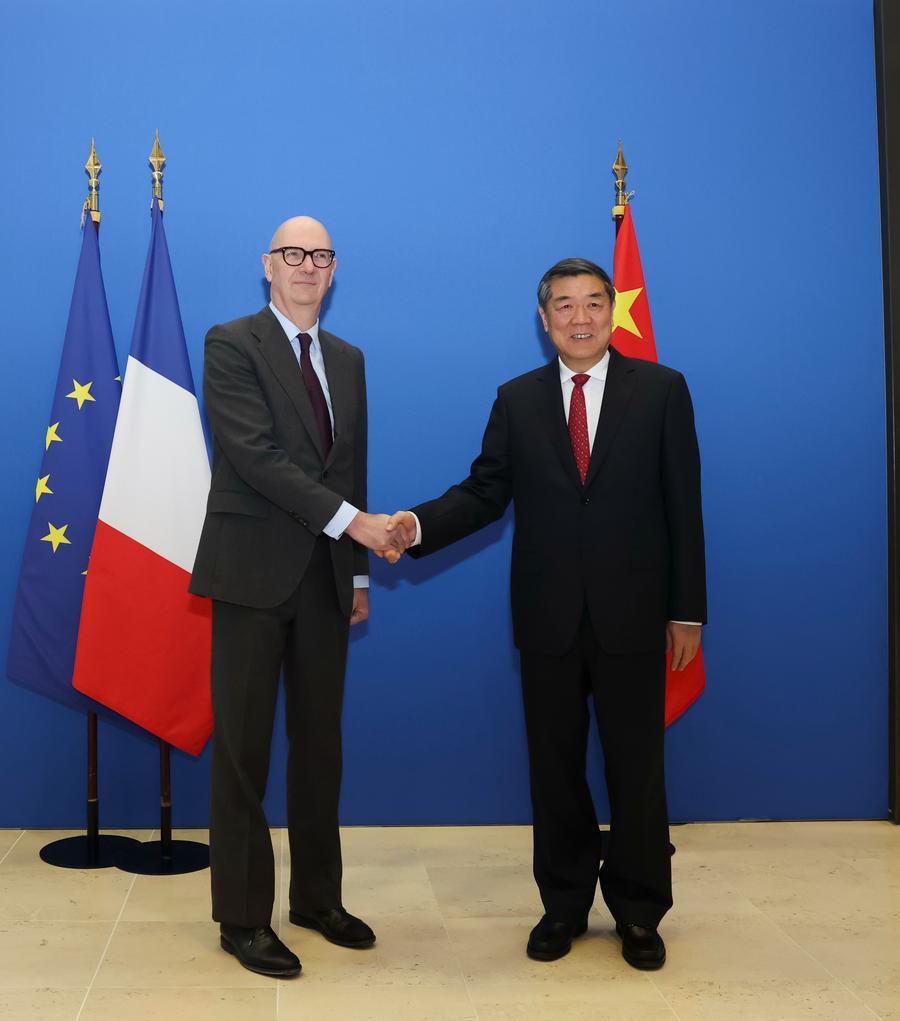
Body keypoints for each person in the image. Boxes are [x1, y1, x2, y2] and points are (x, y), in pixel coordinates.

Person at [385, 257, 706, 970]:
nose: (580, 318)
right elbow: (484, 492)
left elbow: (685, 506)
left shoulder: (661, 390)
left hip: (636, 615)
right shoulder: (518, 398)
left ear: (612, 310)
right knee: (554, 769)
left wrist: (688, 611)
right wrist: (415, 523)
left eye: (594, 303)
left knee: (636, 770)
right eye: (564, 306)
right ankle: (563, 905)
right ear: (544, 319)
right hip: (548, 617)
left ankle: (640, 911)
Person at [189, 216, 404, 978]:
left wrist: (355, 572)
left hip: (323, 581)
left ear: (334, 270)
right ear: (267, 266)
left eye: (320, 255)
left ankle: (317, 897)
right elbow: (255, 457)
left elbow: (350, 470)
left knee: (320, 748)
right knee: (243, 753)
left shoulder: (347, 359)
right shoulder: (230, 342)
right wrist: (360, 526)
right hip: (249, 576)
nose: (306, 265)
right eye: (292, 253)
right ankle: (243, 917)